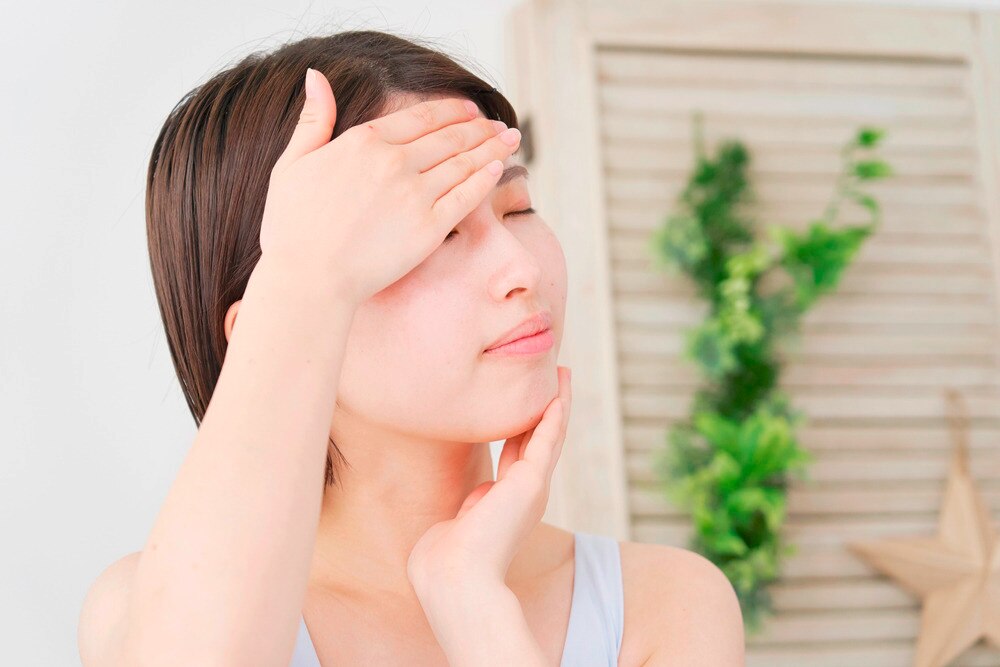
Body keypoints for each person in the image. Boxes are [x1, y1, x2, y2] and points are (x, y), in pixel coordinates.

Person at [77, 29, 745, 666]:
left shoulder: (665, 606)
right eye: (437, 234)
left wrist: (474, 605)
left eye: (517, 208)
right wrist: (301, 280)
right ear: (271, 322)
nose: (521, 269)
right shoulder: (144, 615)